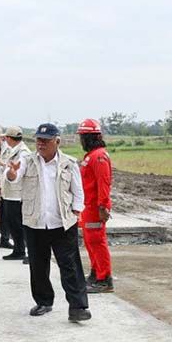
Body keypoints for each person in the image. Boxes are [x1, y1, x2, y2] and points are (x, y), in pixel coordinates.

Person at [6, 123, 91, 323]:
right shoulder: (27, 161)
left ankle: (78, 307)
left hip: (63, 223)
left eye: (45, 140)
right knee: (38, 265)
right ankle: (44, 301)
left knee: (70, 266)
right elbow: (14, 178)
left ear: (57, 141)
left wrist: (76, 212)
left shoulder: (69, 163)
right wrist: (11, 173)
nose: (41, 144)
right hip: (34, 222)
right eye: (38, 140)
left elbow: (78, 191)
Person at [77, 119, 114, 293]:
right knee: (90, 241)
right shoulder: (91, 155)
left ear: (92, 137)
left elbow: (103, 183)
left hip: (95, 208)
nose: (81, 141)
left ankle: (105, 279)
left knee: (97, 242)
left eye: (83, 137)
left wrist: (103, 207)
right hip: (88, 207)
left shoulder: (98, 156)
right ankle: (95, 273)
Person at [1, 126, 31, 262]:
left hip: (16, 194)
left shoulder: (23, 152)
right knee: (13, 223)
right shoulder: (15, 150)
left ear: (8, 138)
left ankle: (26, 251)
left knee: (19, 224)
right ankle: (18, 249)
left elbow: (18, 171)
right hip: (10, 193)